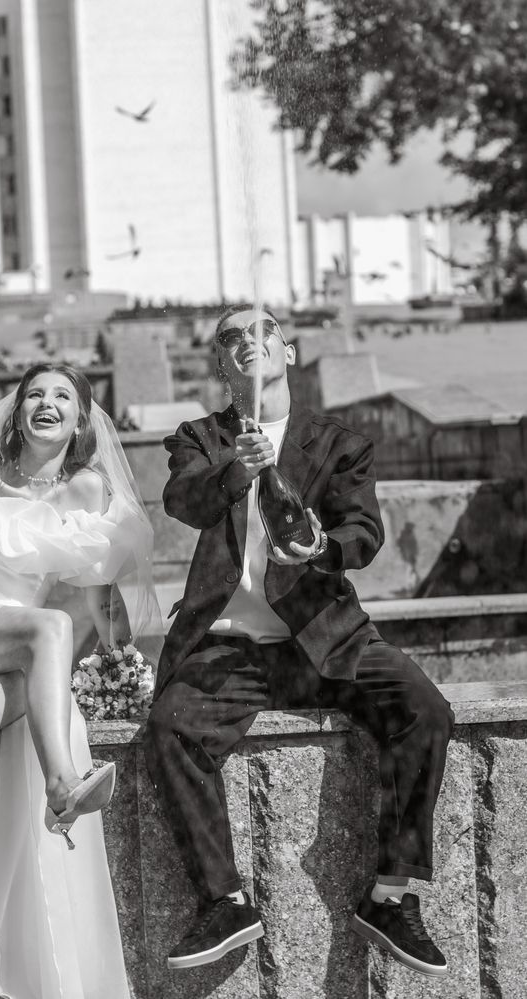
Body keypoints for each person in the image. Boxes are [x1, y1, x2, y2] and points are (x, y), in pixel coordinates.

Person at [144, 306, 454, 978]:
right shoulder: (200, 438)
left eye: (261, 331)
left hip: (326, 636)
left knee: (424, 709)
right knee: (170, 727)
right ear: (220, 364)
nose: (246, 342)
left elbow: (363, 532)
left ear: (287, 350)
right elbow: (184, 501)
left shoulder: (339, 442)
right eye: (230, 337)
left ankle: (392, 896)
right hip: (231, 648)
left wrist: (321, 545)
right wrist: (236, 467)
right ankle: (224, 901)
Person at [0, 362, 159, 999]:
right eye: (34, 394)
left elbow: (99, 598)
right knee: (49, 626)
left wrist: (123, 664)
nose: (47, 403)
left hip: (22, 647)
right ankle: (62, 784)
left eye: (62, 396)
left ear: (80, 419)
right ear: (16, 414)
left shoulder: (89, 491)